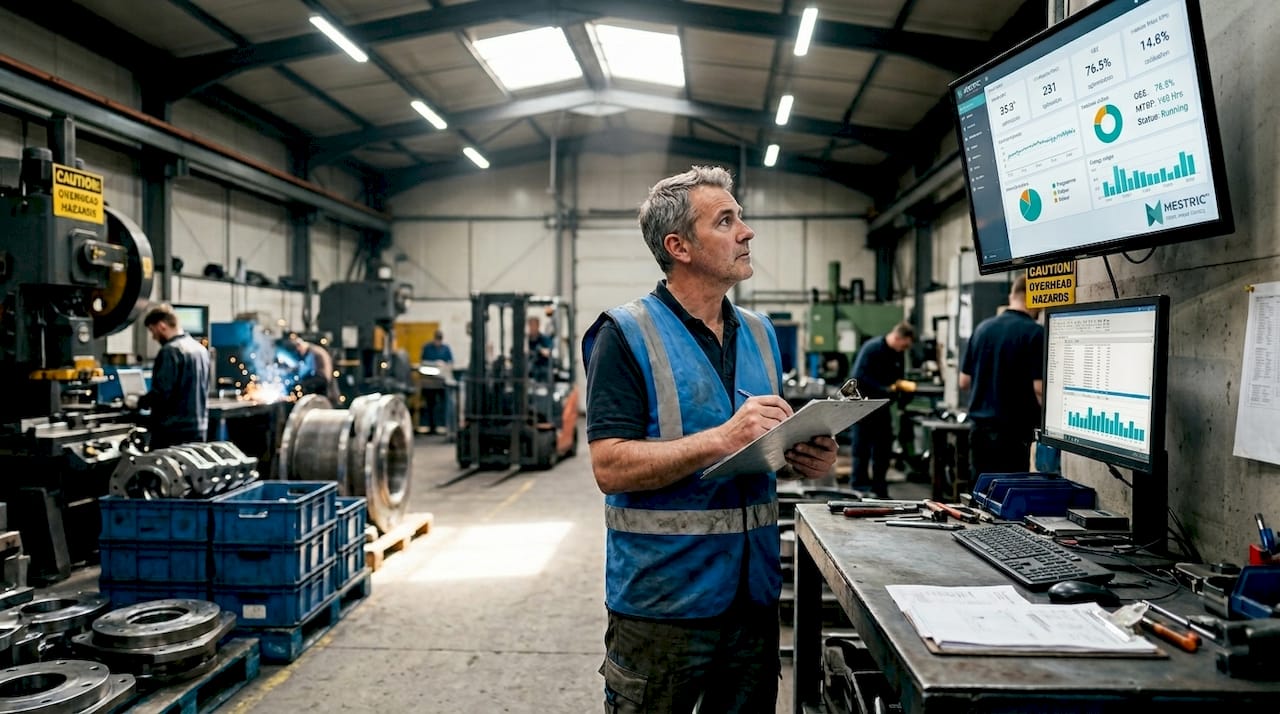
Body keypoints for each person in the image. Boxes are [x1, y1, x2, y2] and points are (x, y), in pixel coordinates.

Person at [582, 165, 838, 713]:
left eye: (740, 217)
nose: (746, 232)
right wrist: (721, 439)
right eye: (726, 221)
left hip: (753, 598)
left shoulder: (762, 332)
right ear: (679, 246)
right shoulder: (624, 335)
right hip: (663, 604)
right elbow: (610, 467)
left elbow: (758, 448)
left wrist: (801, 455)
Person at [959, 274, 1045, 478]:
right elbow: (1040, 389)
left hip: (979, 431)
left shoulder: (982, 328)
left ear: (1011, 295)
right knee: (1007, 500)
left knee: (980, 497)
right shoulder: (1035, 333)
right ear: (1036, 300)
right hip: (1013, 436)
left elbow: (964, 382)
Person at [847, 322, 916, 497]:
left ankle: (879, 488)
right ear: (898, 337)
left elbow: (898, 376)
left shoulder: (897, 354)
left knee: (882, 450)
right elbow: (858, 376)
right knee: (861, 450)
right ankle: (859, 488)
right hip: (863, 407)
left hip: (882, 409)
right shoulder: (872, 349)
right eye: (905, 344)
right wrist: (884, 388)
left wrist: (902, 387)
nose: (904, 349)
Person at [138, 303, 211, 449]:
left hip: (172, 432)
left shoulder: (170, 351)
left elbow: (162, 393)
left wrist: (139, 402)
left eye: (153, 331)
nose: (153, 337)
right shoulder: (200, 350)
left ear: (161, 326)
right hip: (198, 428)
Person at [419, 331, 454, 433]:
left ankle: (443, 425)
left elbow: (450, 362)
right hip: (429, 382)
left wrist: (444, 366)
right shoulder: (427, 348)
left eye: (439, 340)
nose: (437, 342)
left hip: (442, 382)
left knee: (444, 405)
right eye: (436, 340)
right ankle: (431, 427)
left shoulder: (446, 349)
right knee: (430, 405)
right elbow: (423, 361)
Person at [289, 334, 339, 403]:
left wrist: (298, 378)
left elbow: (308, 369)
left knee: (302, 387)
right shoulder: (316, 350)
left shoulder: (312, 352)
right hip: (324, 378)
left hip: (320, 378)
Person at [527, 316, 554, 381]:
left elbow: (548, 352)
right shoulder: (526, 340)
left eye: (534, 325)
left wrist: (540, 350)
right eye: (531, 325)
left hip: (542, 368)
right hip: (529, 369)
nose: (532, 328)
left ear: (538, 326)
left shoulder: (544, 339)